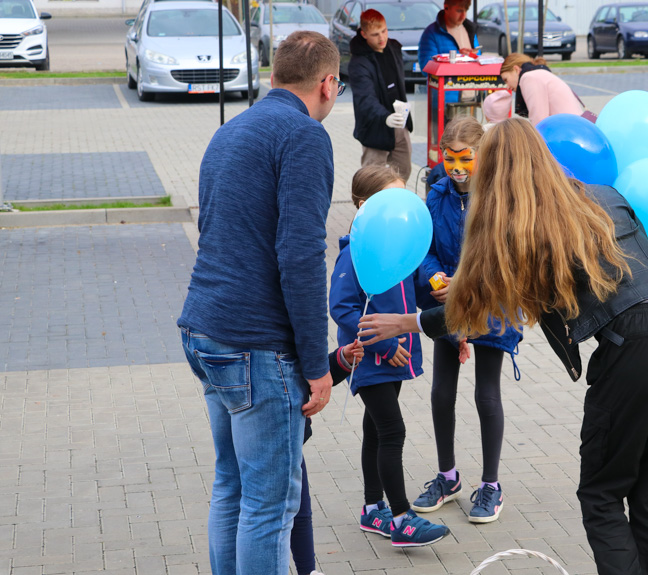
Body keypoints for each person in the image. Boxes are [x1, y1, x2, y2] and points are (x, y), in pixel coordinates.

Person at [357, 118, 648, 575]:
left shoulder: (518, 228)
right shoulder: (602, 194)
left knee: (602, 497)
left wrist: (407, 321)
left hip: (638, 345)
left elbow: (475, 305)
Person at [177, 31, 343, 575]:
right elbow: (299, 256)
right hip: (255, 346)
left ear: (272, 77)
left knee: (233, 486)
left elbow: (214, 226)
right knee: (269, 507)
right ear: (328, 84)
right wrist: (317, 365)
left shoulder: (230, 131)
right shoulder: (304, 137)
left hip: (205, 328)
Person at [329, 165, 450, 548]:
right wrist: (384, 344)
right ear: (365, 206)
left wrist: (438, 293)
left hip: (397, 359)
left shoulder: (396, 248)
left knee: (375, 432)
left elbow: (414, 290)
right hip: (370, 360)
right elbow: (342, 308)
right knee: (392, 431)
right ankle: (401, 518)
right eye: (390, 199)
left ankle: (371, 509)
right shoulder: (354, 255)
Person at [412, 117, 521, 524]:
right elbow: (423, 248)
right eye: (449, 158)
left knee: (486, 395)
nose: (457, 167)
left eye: (466, 159)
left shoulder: (498, 197)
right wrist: (434, 276)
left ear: (482, 155)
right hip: (448, 304)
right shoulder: (436, 195)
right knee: (442, 393)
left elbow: (505, 252)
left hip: (493, 302)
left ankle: (490, 485)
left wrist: (466, 281)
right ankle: (448, 476)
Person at [292, 341, 364, 575]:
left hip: (290, 435)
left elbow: (306, 372)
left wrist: (341, 359)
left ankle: (308, 571)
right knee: (266, 516)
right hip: (273, 429)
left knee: (301, 511)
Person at [349, 9, 413, 180]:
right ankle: (370, 206)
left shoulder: (393, 48)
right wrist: (385, 117)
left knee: (403, 173)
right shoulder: (358, 63)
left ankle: (397, 205)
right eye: (375, 34)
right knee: (372, 180)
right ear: (363, 34)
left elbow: (398, 84)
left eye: (384, 31)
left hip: (399, 123)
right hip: (374, 127)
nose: (382, 38)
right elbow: (365, 99)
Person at [499, 53, 584, 125]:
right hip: (574, 126)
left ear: (516, 69)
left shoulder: (528, 77)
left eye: (506, 80)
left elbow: (539, 121)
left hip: (567, 130)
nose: (507, 86)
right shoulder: (539, 73)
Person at [418, 0, 480, 73]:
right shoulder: (431, 33)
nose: (463, 16)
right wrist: (459, 58)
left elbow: (478, 61)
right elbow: (426, 67)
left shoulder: (470, 30)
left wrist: (470, 56)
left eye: (465, 11)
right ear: (446, 8)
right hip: (445, 83)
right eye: (459, 11)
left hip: (469, 82)